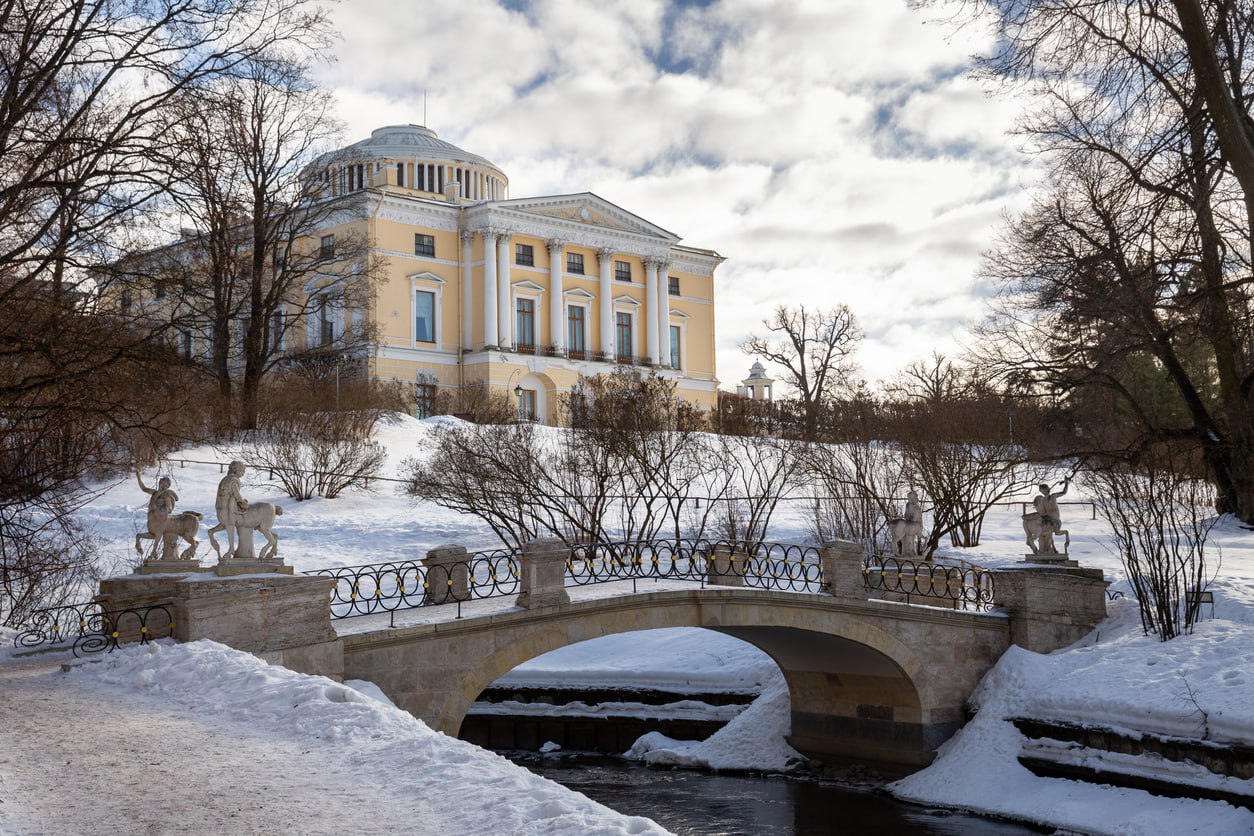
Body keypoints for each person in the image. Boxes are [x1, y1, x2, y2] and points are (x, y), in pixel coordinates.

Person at [137, 473, 179, 558]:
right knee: (143, 535)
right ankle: (138, 544)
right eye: (162, 483)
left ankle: (153, 553)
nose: (163, 485)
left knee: (158, 534)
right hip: (151, 518)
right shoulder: (154, 493)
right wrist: (138, 477)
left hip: (160, 519)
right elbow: (143, 488)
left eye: (166, 484)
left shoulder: (166, 495)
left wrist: (158, 509)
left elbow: (169, 508)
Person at [213, 460, 249, 558]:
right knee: (232, 526)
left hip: (220, 509)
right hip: (228, 510)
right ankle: (231, 549)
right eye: (242, 471)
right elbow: (237, 495)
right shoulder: (234, 480)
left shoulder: (224, 479)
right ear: (236, 470)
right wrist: (244, 504)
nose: (242, 474)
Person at [1032, 477, 1070, 553]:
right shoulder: (1042, 499)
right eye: (1041, 491)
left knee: (1055, 532)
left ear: (1046, 489)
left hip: (1054, 519)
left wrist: (1066, 484)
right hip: (1047, 518)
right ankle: (1046, 548)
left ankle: (1049, 548)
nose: (1042, 492)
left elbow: (1064, 492)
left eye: (1043, 490)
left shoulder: (1052, 496)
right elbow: (1042, 510)